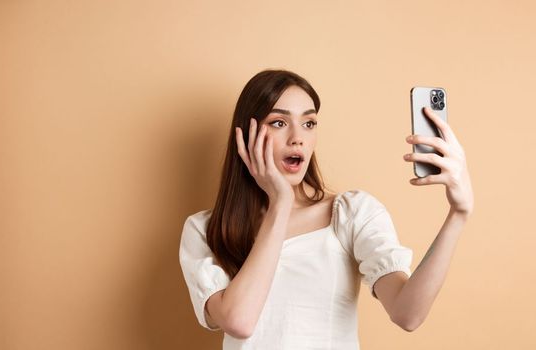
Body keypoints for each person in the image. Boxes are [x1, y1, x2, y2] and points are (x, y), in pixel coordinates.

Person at [178, 69, 474, 349]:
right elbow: (239, 321)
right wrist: (280, 204)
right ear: (246, 135)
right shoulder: (205, 230)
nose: (298, 137)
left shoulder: (350, 213)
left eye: (309, 123)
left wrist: (458, 215)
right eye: (279, 122)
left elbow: (407, 314)